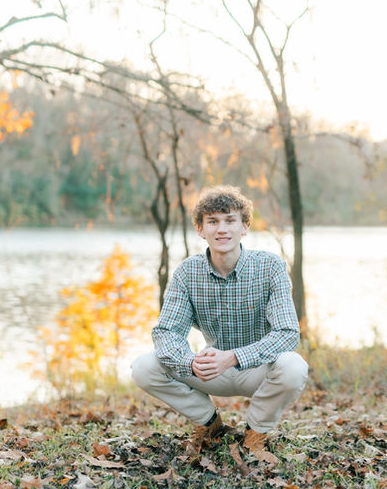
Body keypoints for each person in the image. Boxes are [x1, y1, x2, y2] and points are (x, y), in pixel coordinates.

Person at [131, 185, 308, 455]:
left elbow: (287, 333)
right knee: (144, 366)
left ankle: (255, 433)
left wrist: (233, 357)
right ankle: (209, 422)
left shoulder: (270, 266)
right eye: (212, 221)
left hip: (258, 368)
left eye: (230, 220)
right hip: (210, 370)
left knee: (293, 366)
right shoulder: (187, 272)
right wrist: (190, 360)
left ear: (244, 226)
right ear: (201, 230)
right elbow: (166, 333)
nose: (221, 229)